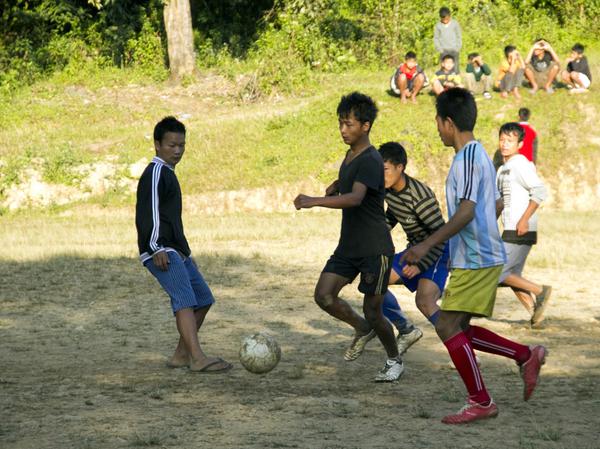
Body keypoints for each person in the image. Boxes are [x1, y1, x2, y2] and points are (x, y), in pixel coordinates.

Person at [402, 88, 547, 424]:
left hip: (478, 258)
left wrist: (427, 245)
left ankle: (481, 400)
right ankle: (525, 355)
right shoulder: (479, 155)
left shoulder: (467, 157)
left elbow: (467, 211)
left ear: (449, 122)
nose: (437, 129)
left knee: (448, 325)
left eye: (438, 122)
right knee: (459, 328)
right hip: (477, 255)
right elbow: (492, 205)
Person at [294, 92, 403, 382]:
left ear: (365, 126)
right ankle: (361, 328)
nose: (343, 130)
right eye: (341, 124)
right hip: (349, 245)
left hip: (374, 247)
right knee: (324, 296)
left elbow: (356, 198)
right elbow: (349, 182)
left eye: (349, 125)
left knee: (374, 309)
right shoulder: (351, 154)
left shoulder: (371, 158)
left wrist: (315, 200)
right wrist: (334, 185)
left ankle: (394, 359)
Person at [135, 116, 232, 373]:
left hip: (176, 251)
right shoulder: (156, 172)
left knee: (203, 298)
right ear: (157, 145)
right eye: (171, 145)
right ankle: (197, 358)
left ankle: (181, 355)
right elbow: (150, 214)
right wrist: (156, 248)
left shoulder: (168, 173)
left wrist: (186, 254)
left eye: (181, 145)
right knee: (185, 300)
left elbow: (171, 220)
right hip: (160, 250)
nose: (177, 150)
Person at [380, 142, 450, 349]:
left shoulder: (419, 197)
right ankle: (406, 330)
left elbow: (441, 234)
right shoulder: (389, 190)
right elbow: (393, 214)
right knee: (375, 280)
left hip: (438, 251)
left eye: (384, 169)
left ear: (399, 167)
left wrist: (421, 265)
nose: (379, 175)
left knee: (425, 303)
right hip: (414, 251)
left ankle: (463, 346)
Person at [496, 123, 551, 327]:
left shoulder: (521, 164)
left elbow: (540, 191)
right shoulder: (502, 169)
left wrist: (524, 219)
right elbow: (500, 202)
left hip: (522, 227)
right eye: (502, 139)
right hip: (509, 227)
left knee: (498, 272)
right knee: (512, 276)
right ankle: (536, 315)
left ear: (519, 143)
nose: (505, 144)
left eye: (510, 140)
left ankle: (540, 291)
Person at [434, 7, 462, 73]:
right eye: (444, 19)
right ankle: (444, 81)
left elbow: (459, 36)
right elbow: (436, 38)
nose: (445, 21)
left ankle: (456, 81)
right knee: (444, 69)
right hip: (444, 50)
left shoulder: (455, 24)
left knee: (455, 68)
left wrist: (458, 48)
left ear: (449, 16)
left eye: (447, 19)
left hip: (454, 49)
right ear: (441, 18)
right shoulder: (438, 26)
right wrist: (440, 49)